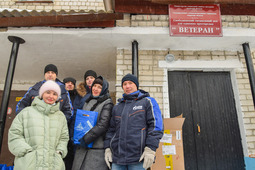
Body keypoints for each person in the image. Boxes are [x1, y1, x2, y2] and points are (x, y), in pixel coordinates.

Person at [104, 74, 164, 170]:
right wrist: (107, 148)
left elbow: (156, 126)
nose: (127, 86)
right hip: (118, 159)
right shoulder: (117, 107)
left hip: (138, 158)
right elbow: (111, 130)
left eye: (130, 83)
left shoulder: (147, 102)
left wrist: (150, 148)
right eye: (124, 84)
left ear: (136, 85)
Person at [8, 80, 69, 170]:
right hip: (28, 165)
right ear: (42, 94)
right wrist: (27, 152)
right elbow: (14, 135)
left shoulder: (60, 116)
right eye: (48, 92)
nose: (51, 96)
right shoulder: (26, 112)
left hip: (54, 165)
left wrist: (59, 152)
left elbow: (64, 138)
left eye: (54, 94)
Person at [72, 76, 113, 170]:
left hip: (96, 150)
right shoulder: (87, 101)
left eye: (99, 87)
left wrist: (86, 138)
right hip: (82, 148)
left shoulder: (107, 103)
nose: (95, 89)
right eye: (94, 86)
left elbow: (103, 125)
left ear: (104, 89)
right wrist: (76, 136)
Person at [63, 77, 77, 170]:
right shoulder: (61, 96)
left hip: (75, 131)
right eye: (67, 83)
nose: (70, 84)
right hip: (63, 130)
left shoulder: (78, 97)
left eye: (72, 83)